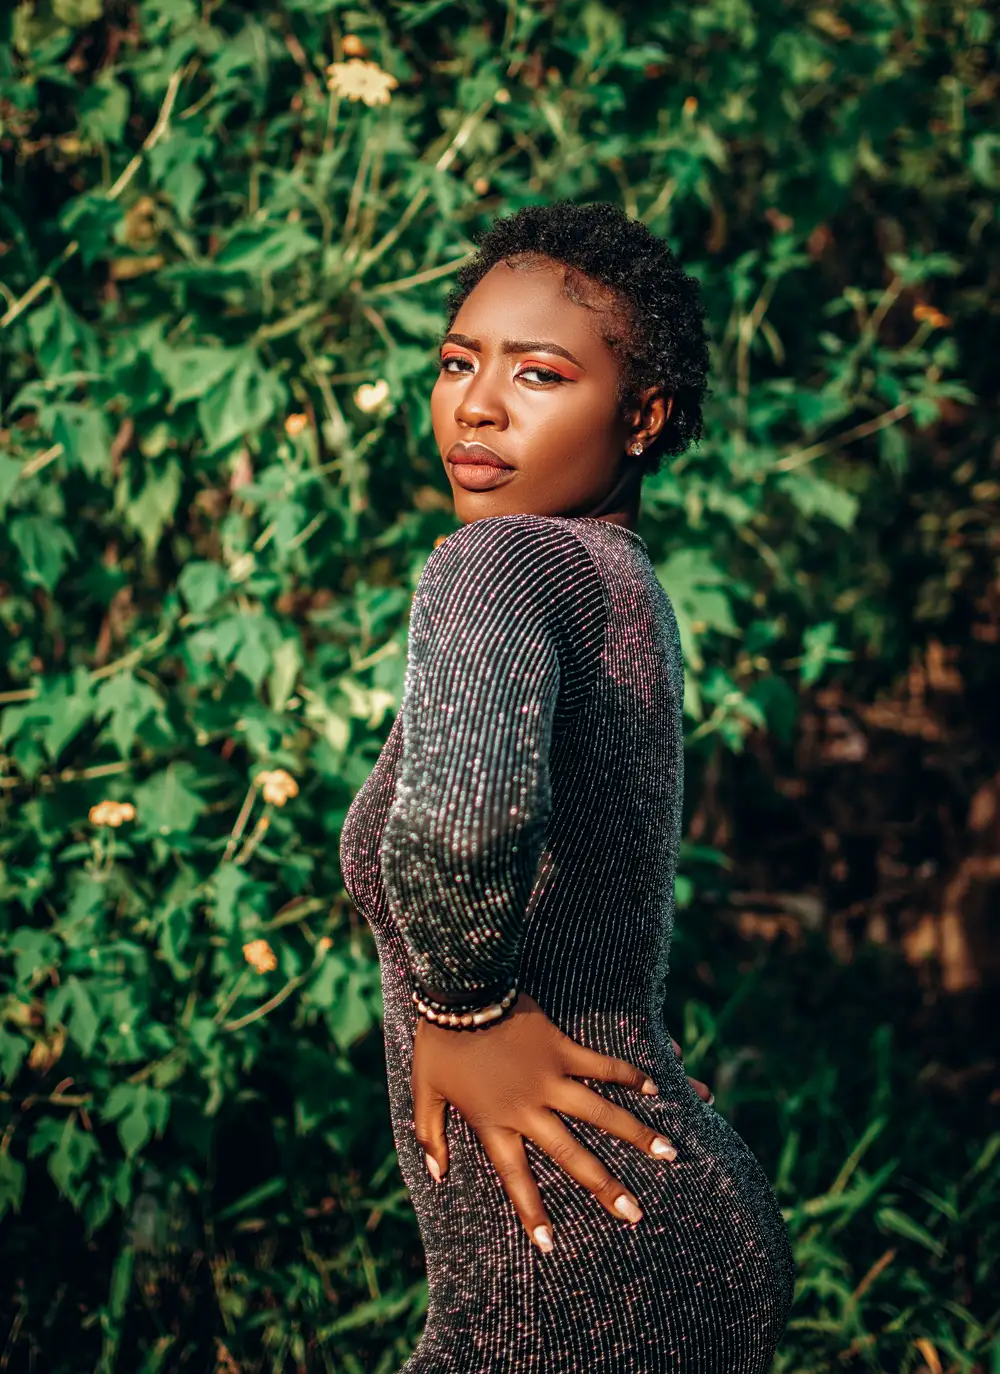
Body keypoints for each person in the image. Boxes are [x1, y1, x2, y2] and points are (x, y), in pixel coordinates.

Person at [338, 200, 795, 1372]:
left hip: (572, 1256)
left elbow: (461, 823)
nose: (475, 406)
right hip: (644, 1197)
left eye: (538, 374)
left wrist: (462, 1005)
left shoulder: (496, 560)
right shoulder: (623, 586)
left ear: (642, 416)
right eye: (456, 363)